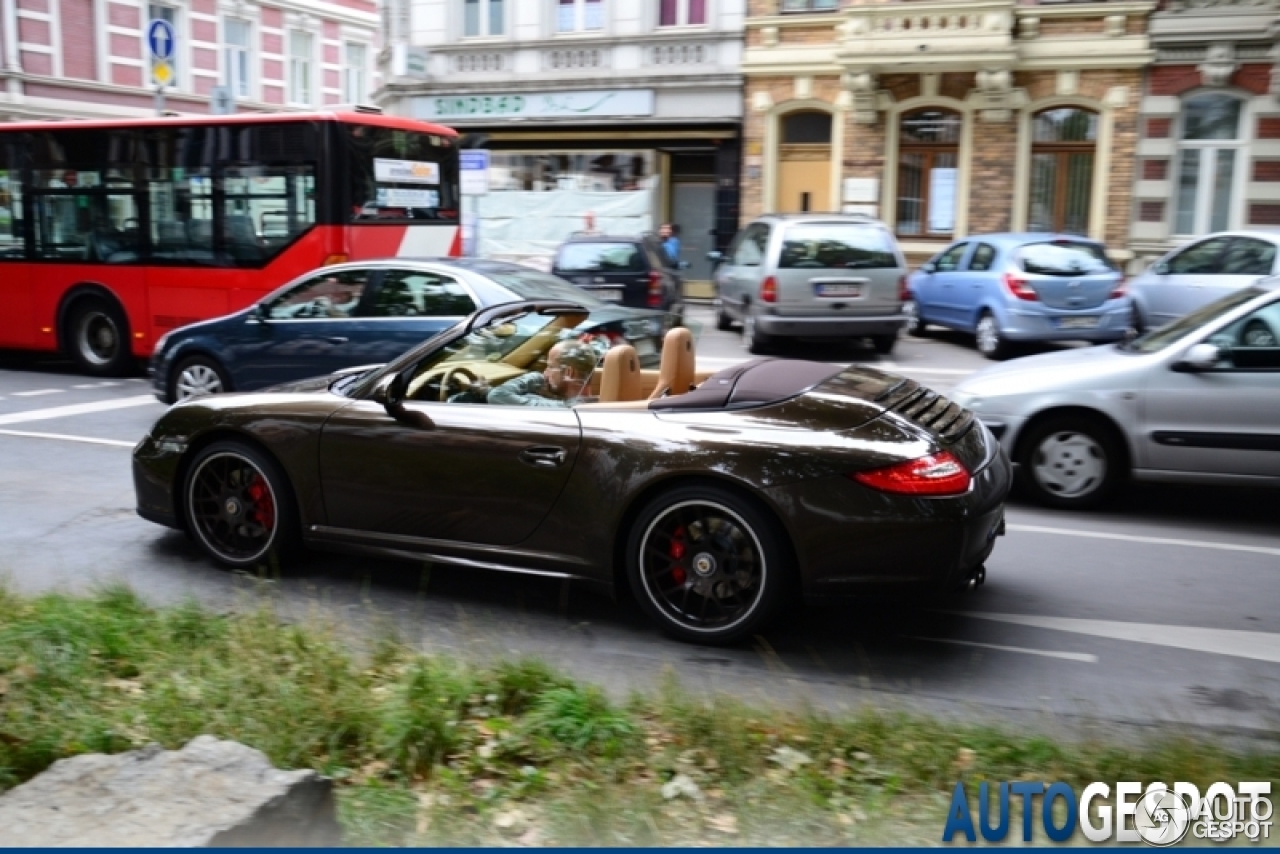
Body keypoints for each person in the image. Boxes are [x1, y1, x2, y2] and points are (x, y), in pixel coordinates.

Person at [487, 341, 598, 407]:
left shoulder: (565, 408)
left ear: (569, 373)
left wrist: (536, 377)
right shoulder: (591, 402)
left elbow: (497, 395)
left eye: (550, 367)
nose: (545, 373)